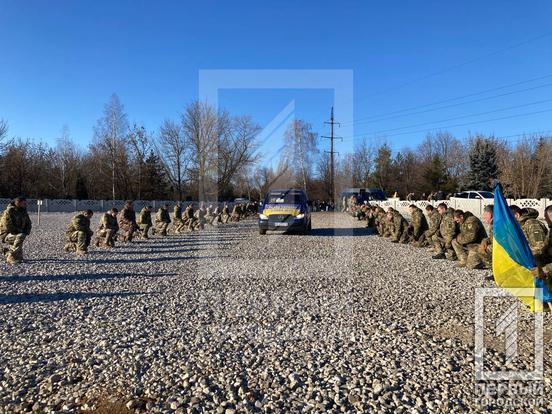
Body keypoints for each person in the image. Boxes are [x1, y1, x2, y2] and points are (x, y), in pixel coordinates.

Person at [0, 196, 32, 265]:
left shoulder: (23, 211)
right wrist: (20, 231)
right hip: (6, 234)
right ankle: (10, 258)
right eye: (24, 203)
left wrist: (26, 231)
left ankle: (5, 251)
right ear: (18, 203)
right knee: (20, 236)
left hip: (17, 233)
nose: (26, 205)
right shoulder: (9, 211)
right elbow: (7, 225)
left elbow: (28, 223)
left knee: (19, 257)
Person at [465, 204, 493, 269]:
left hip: (500, 248)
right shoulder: (493, 224)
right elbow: (492, 238)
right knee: (470, 264)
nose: (484, 217)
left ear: (489, 215)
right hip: (491, 244)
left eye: (485, 215)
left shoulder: (496, 224)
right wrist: (485, 240)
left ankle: (492, 267)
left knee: (481, 249)